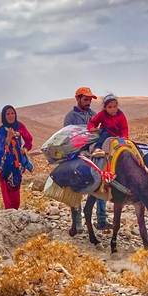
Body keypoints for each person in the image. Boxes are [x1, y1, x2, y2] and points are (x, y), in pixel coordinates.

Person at [63, 87, 110, 232]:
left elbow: (100, 133)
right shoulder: (70, 117)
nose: (88, 102)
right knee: (75, 188)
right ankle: (77, 224)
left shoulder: (94, 114)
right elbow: (68, 136)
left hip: (94, 153)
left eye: (90, 99)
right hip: (77, 154)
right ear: (77, 99)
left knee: (102, 182)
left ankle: (101, 219)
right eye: (85, 99)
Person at [0, 105, 34, 210]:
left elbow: (29, 140)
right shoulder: (0, 131)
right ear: (3, 116)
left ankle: (15, 214)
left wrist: (24, 149)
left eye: (12, 113)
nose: (11, 116)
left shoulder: (19, 126)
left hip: (17, 165)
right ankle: (9, 214)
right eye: (7, 114)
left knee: (16, 193)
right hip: (5, 167)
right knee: (7, 196)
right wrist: (8, 138)